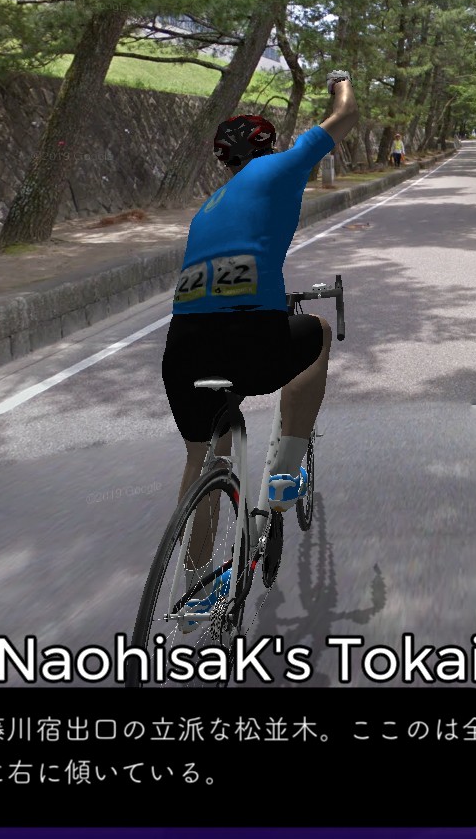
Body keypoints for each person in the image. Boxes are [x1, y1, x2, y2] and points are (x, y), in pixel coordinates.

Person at [160, 71, 359, 622]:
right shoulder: (280, 168)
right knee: (315, 332)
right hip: (248, 334)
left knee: (205, 456)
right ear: (266, 146)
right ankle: (285, 472)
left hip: (183, 344)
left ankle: (195, 586)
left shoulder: (207, 206)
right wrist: (341, 82)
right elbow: (345, 115)